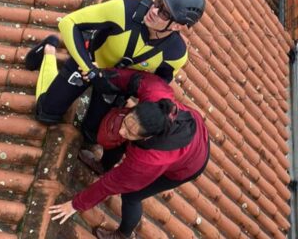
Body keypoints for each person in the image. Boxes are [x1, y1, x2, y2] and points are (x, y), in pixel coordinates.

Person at [25, 0, 206, 144]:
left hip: (114, 85)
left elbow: (156, 86)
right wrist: (91, 70)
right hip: (88, 64)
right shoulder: (124, 10)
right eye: (158, 1)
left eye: (164, 13)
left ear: (177, 26)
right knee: (46, 114)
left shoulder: (175, 54)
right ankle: (49, 50)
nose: (154, 10)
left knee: (92, 135)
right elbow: (68, 22)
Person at [47, 68, 210, 239]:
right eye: (126, 123)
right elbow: (133, 78)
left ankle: (123, 234)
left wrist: (75, 204)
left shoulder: (149, 160)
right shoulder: (156, 92)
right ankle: (103, 165)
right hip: (192, 130)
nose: (123, 131)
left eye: (131, 132)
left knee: (132, 195)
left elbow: (110, 184)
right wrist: (102, 74)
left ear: (148, 136)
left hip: (189, 164)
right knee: (120, 138)